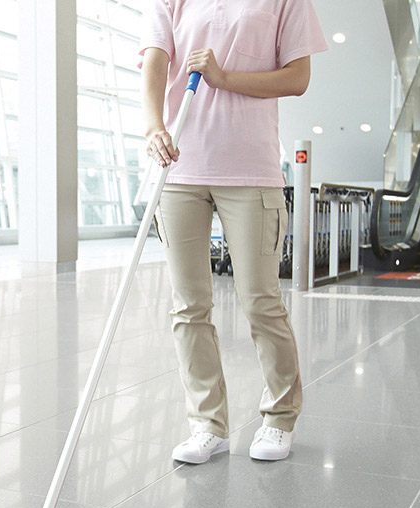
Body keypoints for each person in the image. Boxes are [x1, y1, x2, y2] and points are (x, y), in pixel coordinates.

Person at [139, 0, 327, 462]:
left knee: (261, 300)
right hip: (180, 169)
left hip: (250, 170)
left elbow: (297, 78)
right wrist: (154, 126)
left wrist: (223, 78)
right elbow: (156, 60)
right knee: (188, 306)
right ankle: (208, 425)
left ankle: (280, 418)